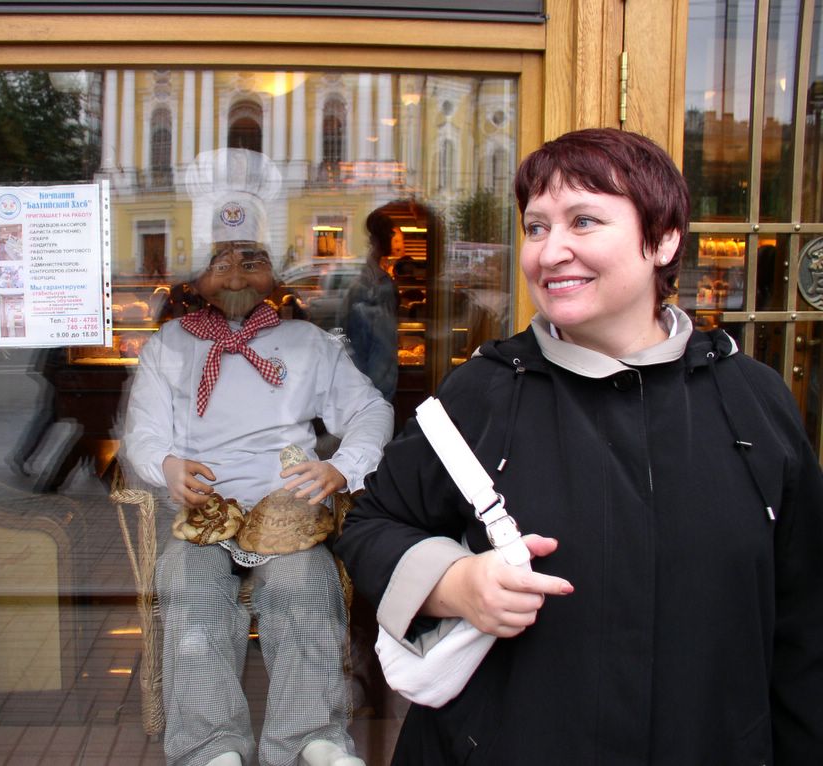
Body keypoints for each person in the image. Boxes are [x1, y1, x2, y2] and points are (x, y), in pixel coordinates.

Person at [335, 128, 823, 764]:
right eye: (536, 227)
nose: (550, 251)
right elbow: (371, 525)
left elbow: (805, 626)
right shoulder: (483, 392)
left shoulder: (752, 399)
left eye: (584, 221)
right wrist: (454, 583)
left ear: (664, 239)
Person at [121, 156, 394, 766]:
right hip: (200, 514)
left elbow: (371, 410)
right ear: (200, 275)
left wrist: (344, 467)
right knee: (188, 585)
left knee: (306, 583)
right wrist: (166, 466)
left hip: (285, 512)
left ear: (272, 272)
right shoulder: (169, 346)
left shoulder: (308, 343)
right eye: (221, 262)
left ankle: (310, 738)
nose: (236, 275)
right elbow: (143, 432)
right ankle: (210, 745)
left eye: (251, 260)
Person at [342, 208, 400, 401]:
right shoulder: (373, 284)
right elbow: (371, 342)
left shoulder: (372, 278)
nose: (393, 239)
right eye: (391, 234)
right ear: (380, 238)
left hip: (371, 380)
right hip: (374, 382)